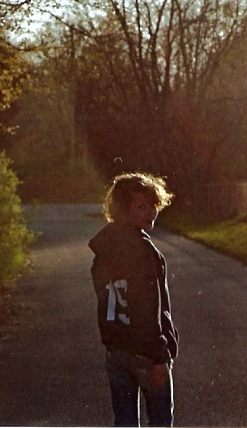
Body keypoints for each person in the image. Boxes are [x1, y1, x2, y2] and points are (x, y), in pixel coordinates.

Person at [89, 173, 179, 427]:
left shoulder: (103, 251)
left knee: (125, 421)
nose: (150, 212)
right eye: (142, 207)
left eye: (153, 205)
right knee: (160, 420)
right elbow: (148, 309)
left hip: (116, 350)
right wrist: (160, 356)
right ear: (122, 210)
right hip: (147, 353)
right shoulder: (145, 252)